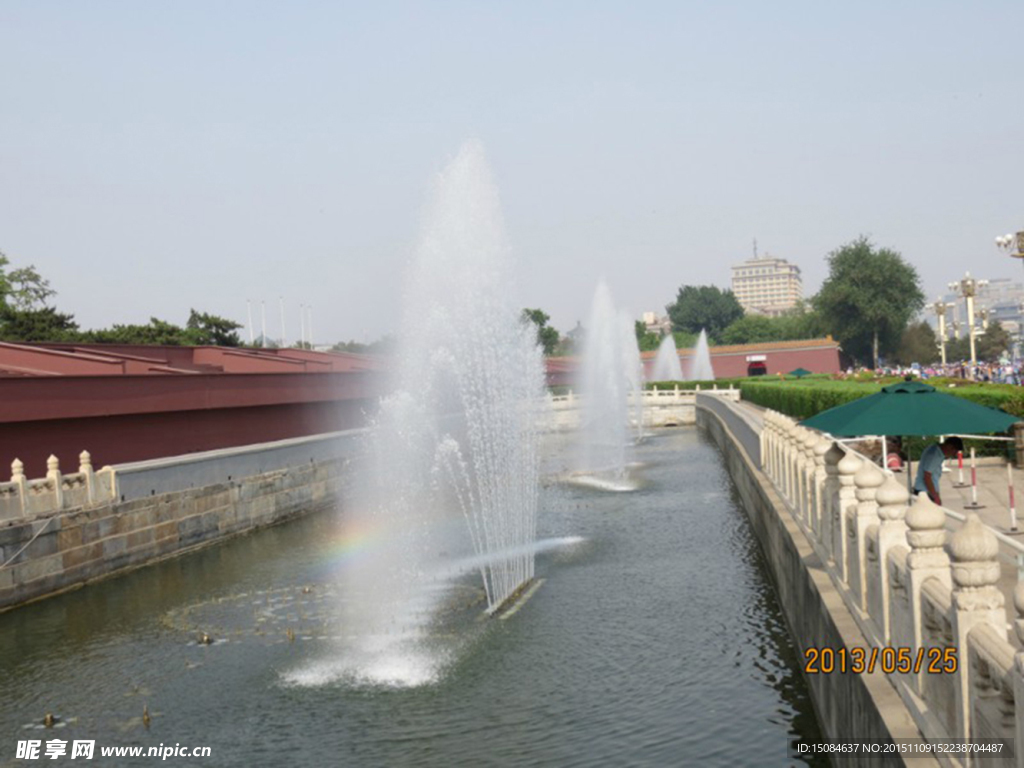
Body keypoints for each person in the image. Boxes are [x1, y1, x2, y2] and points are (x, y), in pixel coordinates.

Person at [913, 437, 964, 506]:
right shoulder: (935, 454)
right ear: (949, 446)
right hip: (925, 492)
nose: (953, 455)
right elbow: (927, 476)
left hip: (925, 491)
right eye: (954, 451)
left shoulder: (934, 449)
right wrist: (935, 496)